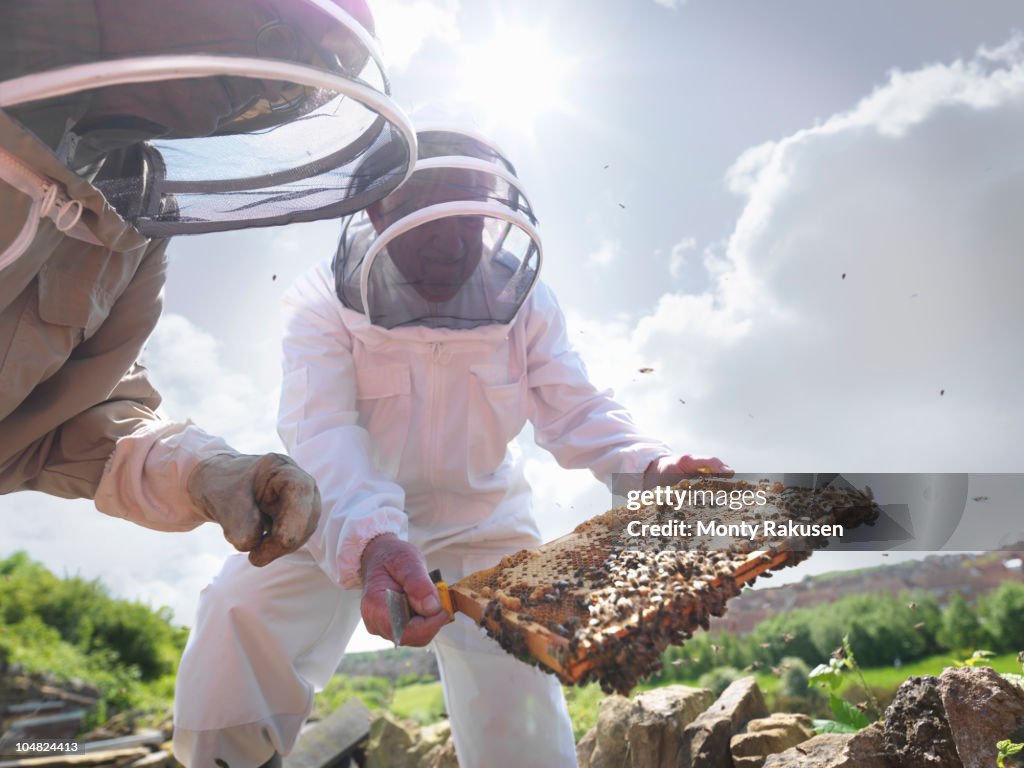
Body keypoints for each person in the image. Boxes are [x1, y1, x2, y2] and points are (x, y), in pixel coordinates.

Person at [173, 125, 732, 767]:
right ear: (381, 207)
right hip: (337, 515)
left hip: (483, 524)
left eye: (467, 214)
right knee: (235, 616)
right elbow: (323, 434)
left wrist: (649, 464)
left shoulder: (524, 302)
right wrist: (375, 539)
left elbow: (575, 404)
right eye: (429, 213)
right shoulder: (322, 306)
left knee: (519, 708)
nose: (451, 239)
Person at [0, 1, 416, 564]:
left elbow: (71, 415)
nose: (264, 90)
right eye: (277, 39)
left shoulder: (131, 212)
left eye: (300, 71)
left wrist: (205, 472)